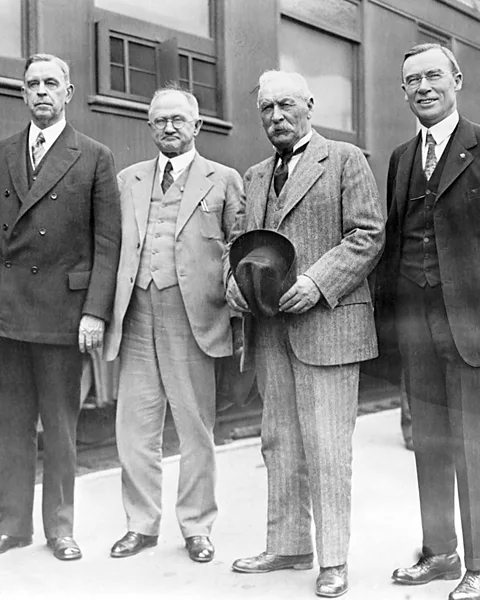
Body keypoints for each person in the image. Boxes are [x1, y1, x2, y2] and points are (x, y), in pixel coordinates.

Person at [226, 70, 384, 598]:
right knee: (280, 442)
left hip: (329, 326)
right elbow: (240, 240)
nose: (276, 117)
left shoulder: (345, 159)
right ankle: (289, 545)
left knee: (327, 447)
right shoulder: (252, 176)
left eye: (286, 105)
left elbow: (367, 234)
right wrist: (233, 279)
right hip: (271, 331)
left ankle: (333, 559)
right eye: (267, 108)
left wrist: (318, 282)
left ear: (310, 106)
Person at [104, 86, 243, 563]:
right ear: (149, 126)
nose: (169, 127)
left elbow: (238, 251)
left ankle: (197, 526)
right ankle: (140, 525)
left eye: (179, 120)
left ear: (197, 126)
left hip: (195, 317)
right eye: (160, 120)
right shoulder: (128, 179)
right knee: (134, 427)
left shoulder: (223, 180)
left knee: (195, 428)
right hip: (137, 313)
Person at [0, 54, 121, 561]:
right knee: (11, 425)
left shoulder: (93, 156)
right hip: (9, 313)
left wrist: (95, 312)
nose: (42, 92)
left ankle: (61, 527)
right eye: (33, 84)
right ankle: (13, 524)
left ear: (68, 93)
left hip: (63, 314)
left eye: (52, 83)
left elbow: (108, 242)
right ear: (23, 95)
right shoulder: (4, 151)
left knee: (62, 427)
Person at [375, 43, 480, 600]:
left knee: (475, 446)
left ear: (457, 80)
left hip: (471, 326)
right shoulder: (399, 158)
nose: (423, 87)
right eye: (411, 80)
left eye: (433, 76)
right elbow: (395, 238)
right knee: (431, 442)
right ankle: (441, 554)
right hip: (417, 322)